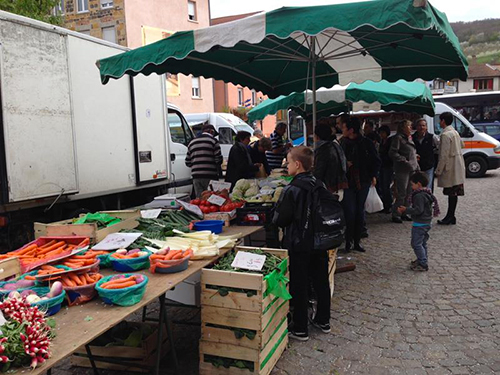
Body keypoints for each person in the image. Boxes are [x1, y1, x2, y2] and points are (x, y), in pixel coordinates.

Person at [273, 146, 331, 341]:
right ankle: (323, 320)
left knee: (299, 284)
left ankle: (300, 328)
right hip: (320, 242)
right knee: (321, 281)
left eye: (288, 162)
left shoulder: (291, 189)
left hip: (299, 244)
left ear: (297, 165)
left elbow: (280, 219)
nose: (286, 165)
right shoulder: (320, 184)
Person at [340, 117, 380, 252]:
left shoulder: (366, 143)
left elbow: (375, 160)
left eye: (344, 127)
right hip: (347, 182)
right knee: (350, 212)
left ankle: (357, 241)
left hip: (363, 180)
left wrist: (373, 175)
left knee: (359, 211)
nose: (342, 130)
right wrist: (346, 165)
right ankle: (348, 242)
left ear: (351, 130)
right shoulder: (342, 143)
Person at [397, 171, 440, 272]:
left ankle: (423, 263)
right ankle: (422, 259)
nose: (411, 187)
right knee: (422, 243)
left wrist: (405, 210)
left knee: (416, 243)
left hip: (420, 223)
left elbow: (418, 210)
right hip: (426, 222)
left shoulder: (419, 196)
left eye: (412, 184)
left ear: (419, 184)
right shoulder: (427, 192)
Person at [435, 112, 466, 225]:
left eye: (440, 120)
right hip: (458, 164)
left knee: (451, 193)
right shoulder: (455, 132)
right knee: (454, 193)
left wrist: (438, 170)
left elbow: (443, 155)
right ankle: (451, 216)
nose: (439, 122)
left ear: (443, 121)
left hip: (450, 167)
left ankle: (450, 216)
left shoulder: (446, 135)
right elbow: (463, 145)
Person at [389, 120, 419, 223]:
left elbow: (412, 152)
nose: (411, 128)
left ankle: (405, 211)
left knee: (409, 192)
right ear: (403, 127)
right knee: (402, 192)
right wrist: (404, 160)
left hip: (412, 168)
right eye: (409, 126)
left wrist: (416, 164)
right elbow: (393, 153)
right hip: (402, 169)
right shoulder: (398, 138)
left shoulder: (409, 137)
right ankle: (396, 213)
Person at [185, 124, 222, 198]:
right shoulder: (213, 141)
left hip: (196, 176)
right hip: (210, 175)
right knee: (211, 199)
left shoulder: (192, 142)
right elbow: (218, 159)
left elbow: (187, 162)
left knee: (200, 199)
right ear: (211, 131)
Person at [313, 123, 348, 197]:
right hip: (340, 185)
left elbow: (318, 172)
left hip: (329, 188)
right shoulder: (335, 145)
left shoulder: (323, 150)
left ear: (317, 137)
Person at [413, 119, 439, 192]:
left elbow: (438, 148)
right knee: (416, 186)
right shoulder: (412, 138)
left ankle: (428, 201)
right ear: (416, 127)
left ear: (426, 127)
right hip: (416, 166)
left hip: (429, 166)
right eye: (419, 125)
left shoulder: (432, 137)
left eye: (423, 125)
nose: (421, 127)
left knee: (428, 186)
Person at [377, 125, 394, 213]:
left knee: (386, 186)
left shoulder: (390, 141)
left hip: (388, 166)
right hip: (382, 166)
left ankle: (389, 204)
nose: (381, 134)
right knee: (382, 185)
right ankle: (384, 203)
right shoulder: (381, 141)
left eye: (382, 133)